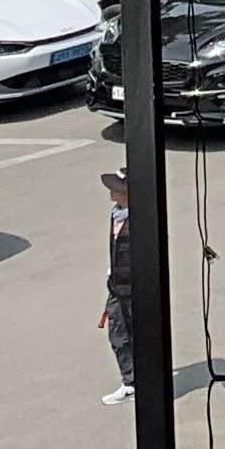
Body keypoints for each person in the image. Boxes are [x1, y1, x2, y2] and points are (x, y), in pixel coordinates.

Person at [98, 165, 140, 403]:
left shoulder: (138, 221)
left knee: (131, 334)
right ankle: (132, 380)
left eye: (115, 188)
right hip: (116, 285)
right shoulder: (117, 214)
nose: (111, 192)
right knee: (118, 333)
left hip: (133, 287)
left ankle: (136, 382)